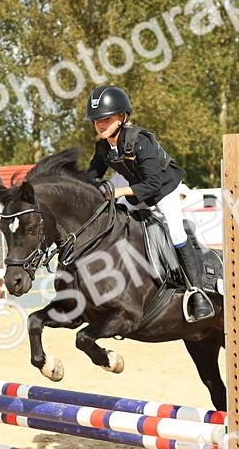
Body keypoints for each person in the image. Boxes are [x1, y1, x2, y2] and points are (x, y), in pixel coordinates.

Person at [83, 85, 213, 321]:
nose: (100, 125)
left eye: (106, 119)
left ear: (122, 117)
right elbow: (92, 175)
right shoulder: (102, 147)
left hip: (164, 190)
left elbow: (153, 183)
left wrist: (118, 192)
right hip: (137, 192)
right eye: (96, 121)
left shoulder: (140, 141)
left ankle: (197, 292)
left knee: (175, 233)